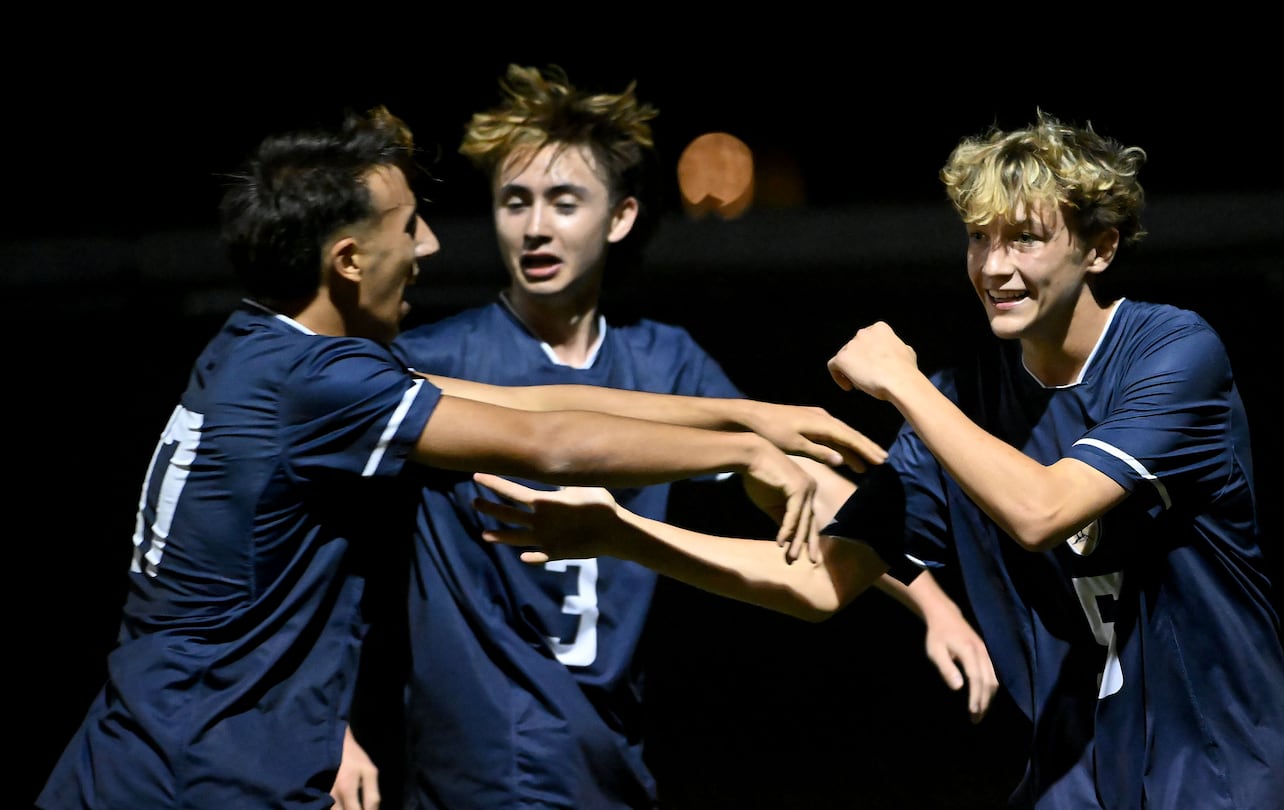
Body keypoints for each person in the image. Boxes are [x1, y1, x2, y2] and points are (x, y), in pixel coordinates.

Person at [33, 104, 892, 810]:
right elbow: (547, 440)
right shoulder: (319, 384)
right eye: (411, 227)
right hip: (195, 778)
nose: (433, 248)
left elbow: (535, 401)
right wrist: (744, 445)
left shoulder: (260, 347)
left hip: (144, 753)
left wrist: (751, 419)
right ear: (346, 259)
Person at [471, 110, 1284, 809]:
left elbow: (1043, 511)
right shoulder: (959, 400)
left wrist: (904, 385)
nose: (994, 266)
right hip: (1074, 780)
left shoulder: (1173, 351)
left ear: (1100, 249)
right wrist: (624, 535)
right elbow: (820, 581)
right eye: (979, 239)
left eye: (1025, 239)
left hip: (1221, 770)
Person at [337, 64, 997, 810]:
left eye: (563, 201)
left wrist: (931, 602)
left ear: (619, 218)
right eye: (514, 201)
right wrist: (337, 729)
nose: (535, 226)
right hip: (484, 759)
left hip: (610, 753)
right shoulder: (436, 360)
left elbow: (797, 486)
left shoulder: (664, 360)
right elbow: (323, 549)